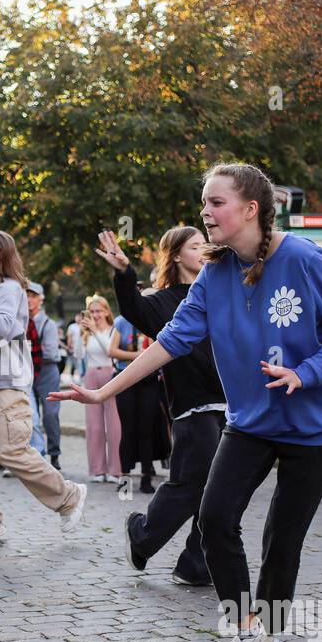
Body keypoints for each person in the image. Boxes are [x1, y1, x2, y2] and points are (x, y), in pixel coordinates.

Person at [53, 163, 322, 642]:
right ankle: (248, 631)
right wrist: (103, 391)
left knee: (281, 538)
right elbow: (172, 340)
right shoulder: (215, 274)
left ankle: (273, 632)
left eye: (216, 202)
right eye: (204, 202)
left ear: (251, 209)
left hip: (316, 426)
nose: (206, 211)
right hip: (250, 421)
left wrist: (306, 372)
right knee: (215, 517)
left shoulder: (303, 258)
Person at [98, 225, 226, 586]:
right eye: (195, 246)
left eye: (206, 244)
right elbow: (133, 309)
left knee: (221, 489)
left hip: (231, 404)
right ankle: (142, 533)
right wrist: (124, 273)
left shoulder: (222, 293)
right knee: (190, 482)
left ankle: (195, 563)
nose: (204, 250)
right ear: (176, 255)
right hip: (192, 405)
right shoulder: (162, 301)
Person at [0, 231, 87, 548]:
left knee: (11, 452)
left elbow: (4, 329)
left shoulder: (10, 289)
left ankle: (69, 496)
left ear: (1, 256)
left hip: (7, 385)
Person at [109, 313, 170, 493]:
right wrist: (138, 355)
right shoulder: (121, 322)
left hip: (148, 381)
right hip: (125, 380)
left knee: (147, 430)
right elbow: (111, 351)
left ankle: (146, 478)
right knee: (127, 429)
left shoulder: (151, 320)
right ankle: (125, 478)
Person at [80, 295, 123, 483]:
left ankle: (116, 470)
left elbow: (109, 351)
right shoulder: (87, 332)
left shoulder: (113, 330)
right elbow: (78, 355)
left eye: (99, 311)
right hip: (91, 374)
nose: (95, 315)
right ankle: (98, 469)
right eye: (93, 311)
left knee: (114, 424)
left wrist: (96, 332)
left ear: (107, 311)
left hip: (110, 374)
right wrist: (82, 335)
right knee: (94, 425)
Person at [25, 282, 63, 470]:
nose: (29, 299)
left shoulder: (48, 324)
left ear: (41, 299)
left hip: (47, 371)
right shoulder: (21, 320)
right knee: (29, 414)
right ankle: (33, 455)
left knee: (50, 414)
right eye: (27, 295)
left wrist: (25, 350)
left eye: (33, 296)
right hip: (27, 371)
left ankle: (54, 454)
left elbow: (49, 352)